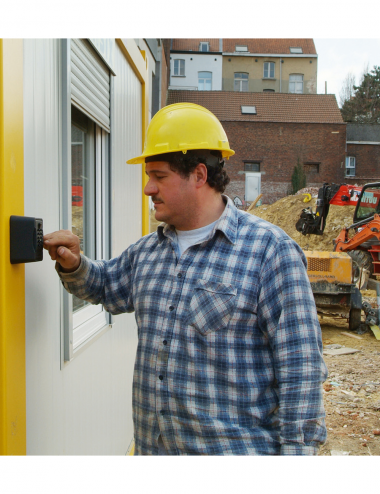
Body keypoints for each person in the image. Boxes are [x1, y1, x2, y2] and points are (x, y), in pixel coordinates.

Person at [44, 103, 328, 455]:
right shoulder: (147, 252)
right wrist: (74, 264)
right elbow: (106, 285)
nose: (148, 189)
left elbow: (300, 367)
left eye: (159, 177)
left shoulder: (270, 252)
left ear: (198, 175)